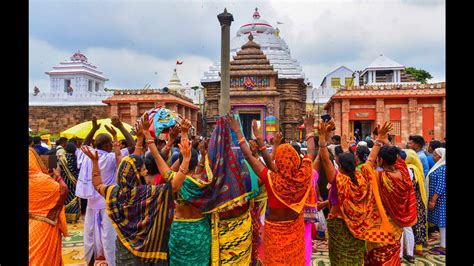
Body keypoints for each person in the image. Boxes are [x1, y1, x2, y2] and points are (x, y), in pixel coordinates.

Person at [80, 114, 190, 264]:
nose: (145, 171)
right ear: (138, 173)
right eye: (143, 169)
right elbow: (175, 184)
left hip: (124, 252)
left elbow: (97, 184)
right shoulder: (150, 193)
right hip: (150, 254)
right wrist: (186, 160)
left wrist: (94, 163)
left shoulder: (114, 192)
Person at [226, 111, 317, 265]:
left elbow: (249, 157)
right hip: (295, 234)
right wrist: (309, 128)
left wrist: (238, 131)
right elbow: (310, 152)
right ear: (296, 160)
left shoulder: (272, 180)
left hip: (275, 235)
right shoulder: (304, 177)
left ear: (278, 164)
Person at [76, 116, 135, 266]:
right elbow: (133, 146)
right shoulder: (110, 158)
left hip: (91, 203)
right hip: (109, 202)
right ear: (108, 145)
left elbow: (84, 144)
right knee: (109, 238)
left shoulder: (88, 155)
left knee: (89, 237)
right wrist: (120, 127)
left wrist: (93, 129)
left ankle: (90, 262)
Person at [365, 128, 418, 265]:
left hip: (381, 226)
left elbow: (366, 168)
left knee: (378, 258)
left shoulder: (379, 177)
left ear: (380, 160)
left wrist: (378, 141)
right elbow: (399, 159)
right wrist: (386, 141)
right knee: (392, 255)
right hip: (397, 226)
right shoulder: (405, 175)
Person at [29, 147, 68, 265]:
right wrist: (59, 176)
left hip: (31, 224)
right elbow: (63, 190)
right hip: (44, 227)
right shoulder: (42, 179)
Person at [402, 149, 428, 260]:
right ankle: (416, 250)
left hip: (410, 201)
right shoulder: (417, 168)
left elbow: (408, 186)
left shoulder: (408, 169)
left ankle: (407, 251)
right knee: (417, 225)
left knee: (408, 226)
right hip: (418, 201)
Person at [427, 148, 446, 255]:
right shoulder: (439, 166)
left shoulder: (443, 168)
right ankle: (442, 244)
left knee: (443, 223)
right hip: (438, 199)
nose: (432, 157)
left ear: (441, 156)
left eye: (435, 155)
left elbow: (441, 185)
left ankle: (443, 247)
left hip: (440, 199)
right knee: (441, 222)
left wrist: (433, 200)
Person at [59, 143, 81, 223]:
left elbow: (59, 170)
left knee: (66, 197)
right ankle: (73, 218)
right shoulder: (77, 158)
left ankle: (65, 216)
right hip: (75, 182)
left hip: (65, 180)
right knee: (74, 197)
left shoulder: (62, 158)